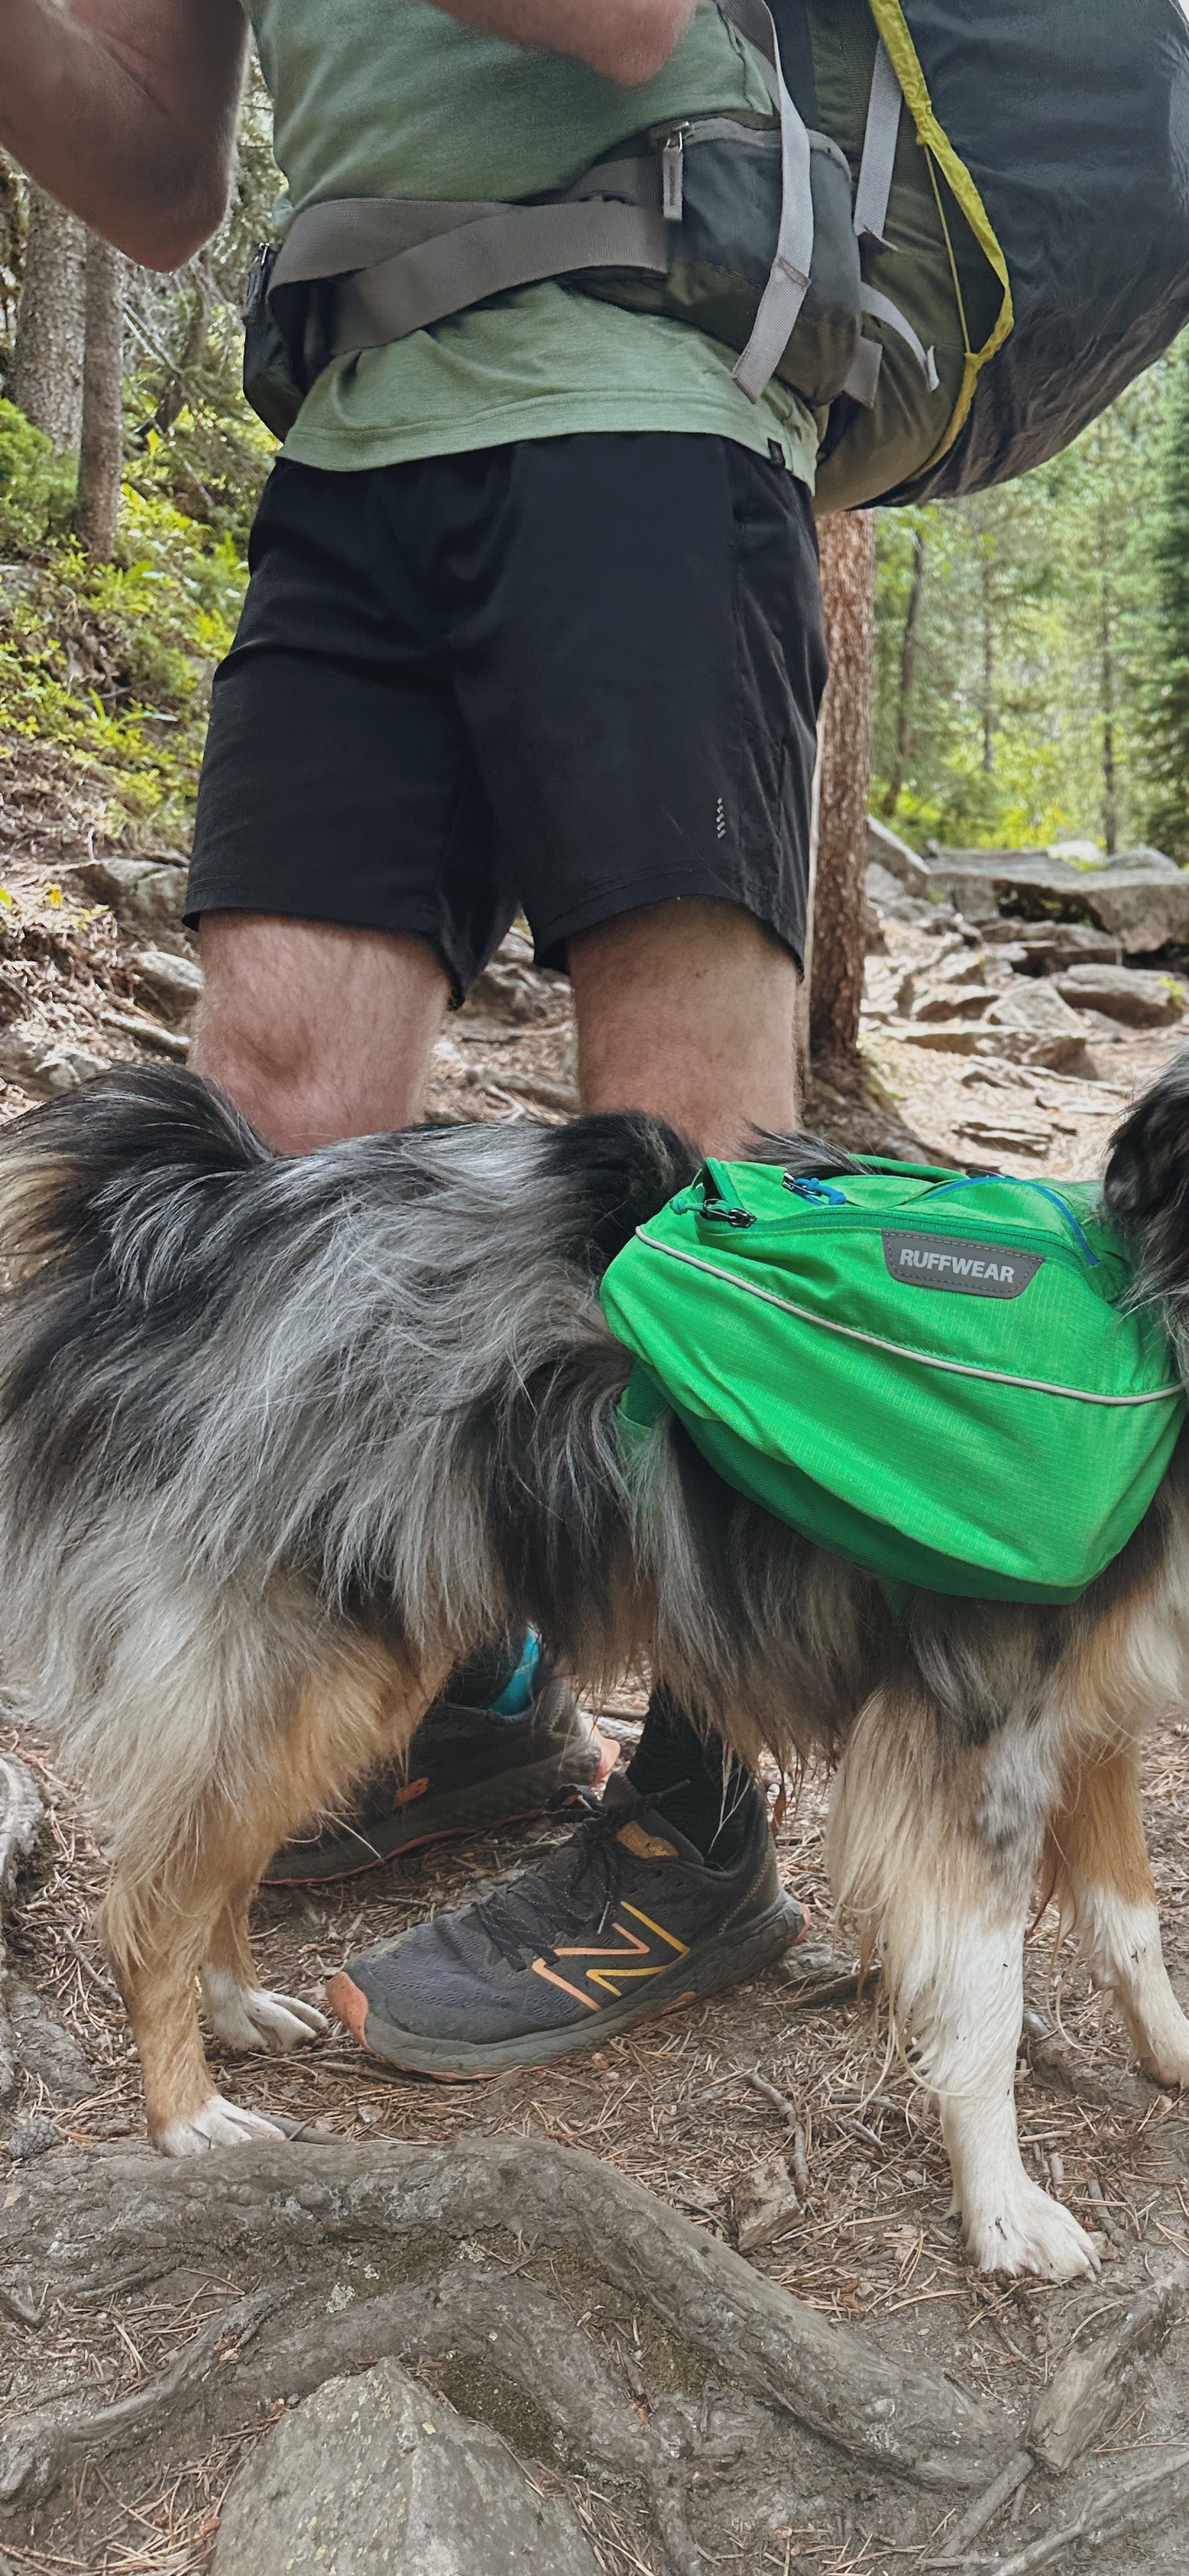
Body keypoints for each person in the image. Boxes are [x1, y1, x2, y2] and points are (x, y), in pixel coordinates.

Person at [0, 0, 822, 2074]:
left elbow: (630, 24)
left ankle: (699, 1828)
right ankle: (454, 1667)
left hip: (643, 380)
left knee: (687, 1150)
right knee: (269, 1114)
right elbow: (162, 188)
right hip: (354, 439)